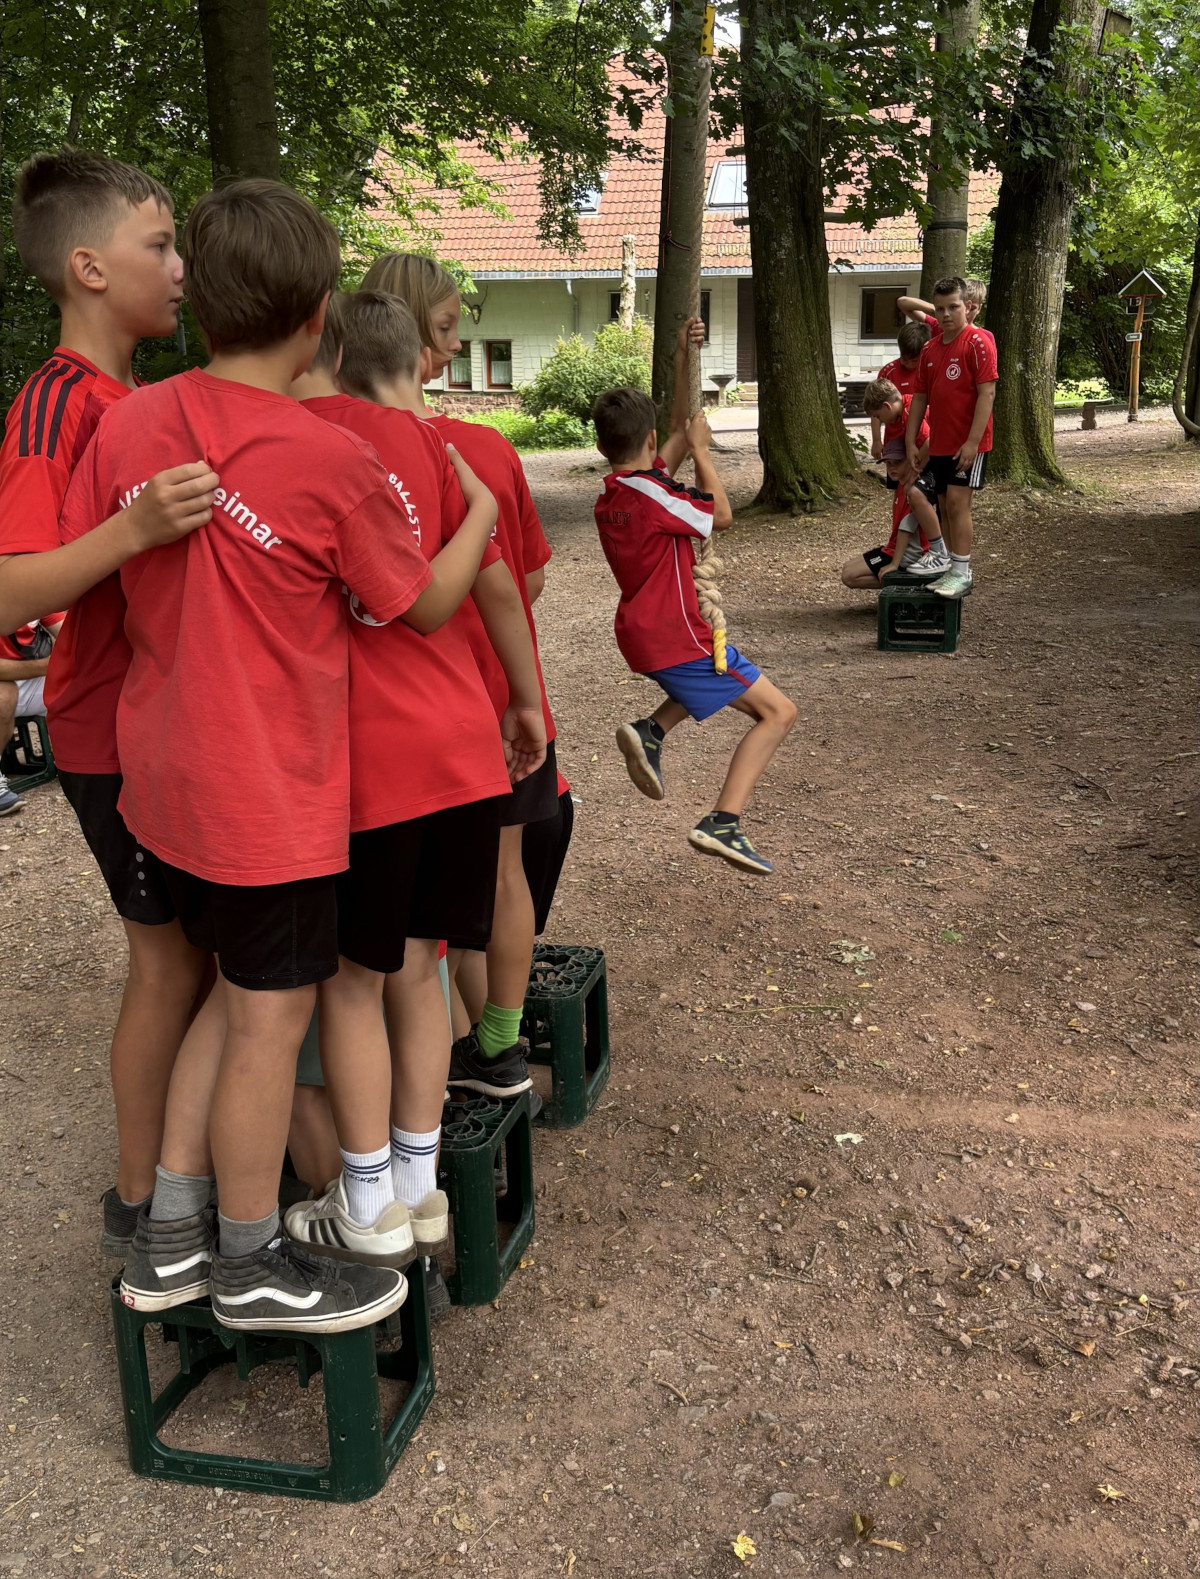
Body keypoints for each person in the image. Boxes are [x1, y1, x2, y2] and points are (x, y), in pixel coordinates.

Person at [62, 178, 453, 1334]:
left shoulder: (129, 423)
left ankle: (168, 1237)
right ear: (320, 314)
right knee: (268, 1026)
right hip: (269, 798)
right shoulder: (328, 457)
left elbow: (95, 559)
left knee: (224, 1004)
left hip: (160, 781)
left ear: (200, 299)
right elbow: (408, 601)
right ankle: (250, 1260)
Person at [283, 289, 546, 1263]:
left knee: (354, 984)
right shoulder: (442, 447)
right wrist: (526, 702)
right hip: (461, 748)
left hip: (374, 760)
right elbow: (500, 586)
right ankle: (420, 1185)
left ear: (330, 350)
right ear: (415, 359)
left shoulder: (308, 435)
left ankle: (367, 1202)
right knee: (423, 968)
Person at [0, 149, 221, 1252]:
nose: (181, 268)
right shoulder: (54, 407)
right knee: (169, 962)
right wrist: (132, 529)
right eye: (160, 245)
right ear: (89, 267)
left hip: (162, 727)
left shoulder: (129, 399)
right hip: (104, 736)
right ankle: (140, 1205)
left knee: (205, 958)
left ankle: (200, 1167)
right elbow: (10, 587)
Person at [358, 251, 560, 1102]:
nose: (449, 351)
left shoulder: (342, 446)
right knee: (493, 880)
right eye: (443, 330)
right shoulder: (476, 449)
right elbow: (526, 580)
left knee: (407, 928)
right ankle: (498, 1047)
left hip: (401, 718)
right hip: (489, 700)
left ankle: (423, 1085)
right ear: (404, 331)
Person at [592, 337, 797, 876]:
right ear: (649, 439)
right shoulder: (655, 497)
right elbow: (721, 515)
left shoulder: (616, 493)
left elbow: (679, 431)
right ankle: (723, 822)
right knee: (778, 713)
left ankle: (652, 731)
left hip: (645, 630)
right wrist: (704, 454)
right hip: (676, 633)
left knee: (711, 681)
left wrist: (685, 358)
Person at [904, 275, 998, 601]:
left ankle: (962, 571)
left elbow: (987, 394)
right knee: (943, 504)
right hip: (940, 443)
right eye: (940, 308)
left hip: (967, 443)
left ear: (967, 306)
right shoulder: (930, 348)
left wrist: (972, 442)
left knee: (958, 504)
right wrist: (912, 441)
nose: (945, 314)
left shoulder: (978, 342)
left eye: (953, 307)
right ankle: (949, 565)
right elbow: (919, 398)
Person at [843, 378, 945, 590]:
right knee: (847, 570)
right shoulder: (901, 415)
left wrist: (915, 469)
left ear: (887, 406)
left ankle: (936, 553)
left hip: (934, 463)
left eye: (878, 416)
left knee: (916, 495)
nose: (880, 421)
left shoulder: (909, 412)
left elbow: (930, 439)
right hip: (894, 547)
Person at [0, 618, 56, 815]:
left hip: (30, 677)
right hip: (12, 680)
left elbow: (71, 634)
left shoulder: (33, 598)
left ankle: (92, 762)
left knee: (87, 684)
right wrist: (51, 664)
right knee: (3, 696)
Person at [870, 320, 931, 461]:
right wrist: (877, 440)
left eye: (914, 360)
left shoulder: (929, 370)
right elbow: (876, 409)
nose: (909, 364)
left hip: (923, 437)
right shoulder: (888, 372)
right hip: (894, 439)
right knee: (895, 470)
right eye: (904, 359)